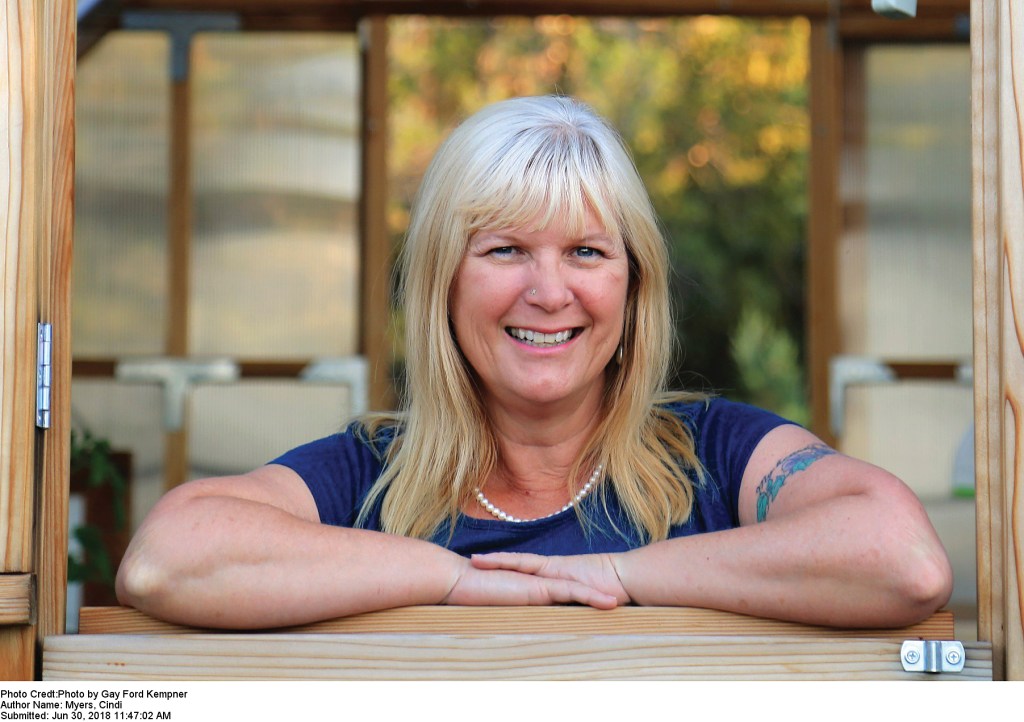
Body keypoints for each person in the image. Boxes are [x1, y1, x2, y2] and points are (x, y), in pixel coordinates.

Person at [116, 95, 952, 630]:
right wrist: (451, 579)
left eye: (587, 252)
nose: (549, 293)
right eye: (506, 249)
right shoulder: (370, 475)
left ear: (633, 286)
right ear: (443, 282)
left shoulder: (718, 456)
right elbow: (166, 558)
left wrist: (618, 571)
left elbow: (903, 559)